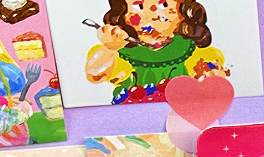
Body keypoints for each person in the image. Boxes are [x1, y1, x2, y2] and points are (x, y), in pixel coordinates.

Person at [85, 0, 217, 104]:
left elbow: (211, 73)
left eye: (164, 4)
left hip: (180, 112)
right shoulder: (122, 50)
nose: (153, 15)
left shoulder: (188, 47)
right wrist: (110, 48)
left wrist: (209, 75)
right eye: (139, 6)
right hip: (131, 111)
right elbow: (95, 74)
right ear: (122, 14)